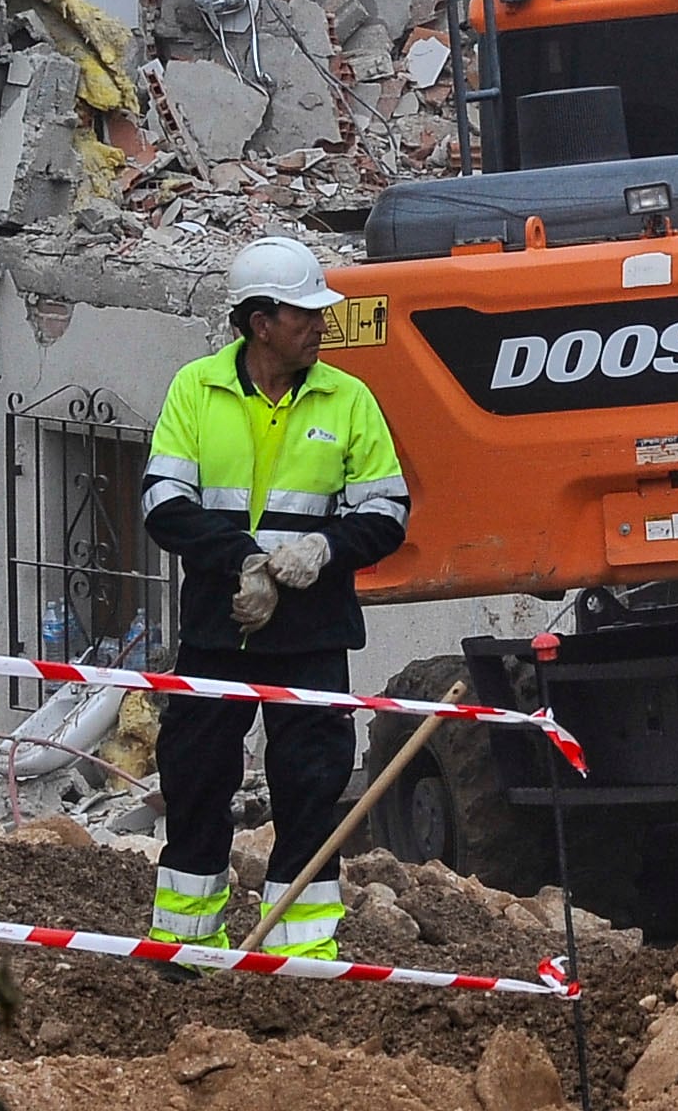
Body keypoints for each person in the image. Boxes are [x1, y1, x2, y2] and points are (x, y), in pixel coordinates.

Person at [139, 234, 410, 955]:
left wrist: (321, 549)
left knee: (311, 789)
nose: (321, 326)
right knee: (195, 781)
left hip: (312, 637)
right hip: (216, 630)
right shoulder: (195, 389)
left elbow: (387, 513)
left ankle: (300, 955)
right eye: (305, 315)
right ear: (261, 322)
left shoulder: (349, 398)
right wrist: (247, 562)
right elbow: (163, 503)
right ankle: (187, 948)